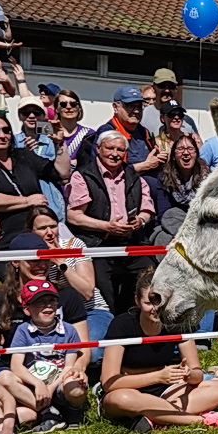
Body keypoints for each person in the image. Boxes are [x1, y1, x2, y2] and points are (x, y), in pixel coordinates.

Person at [98, 272, 218, 432]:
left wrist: (188, 375)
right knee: (120, 399)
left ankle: (154, 417)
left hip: (168, 390)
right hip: (130, 391)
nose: (156, 309)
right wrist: (158, 376)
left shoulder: (176, 323)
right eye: (149, 302)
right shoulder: (122, 324)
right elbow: (109, 382)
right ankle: (199, 421)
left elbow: (197, 373)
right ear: (137, 301)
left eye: (161, 302)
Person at [66, 131, 157, 311]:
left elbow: (147, 209)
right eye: (110, 148)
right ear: (99, 149)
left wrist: (140, 221)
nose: (115, 154)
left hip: (131, 241)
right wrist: (106, 226)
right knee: (102, 283)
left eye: (120, 150)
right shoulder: (83, 175)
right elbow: (74, 215)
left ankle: (133, 314)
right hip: (98, 242)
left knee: (150, 271)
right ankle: (109, 319)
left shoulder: (134, 176)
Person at [0, 100, 70, 240]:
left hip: (37, 234)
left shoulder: (23, 155)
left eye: (6, 130)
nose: (2, 136)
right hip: (1, 236)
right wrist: (28, 201)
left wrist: (59, 144)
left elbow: (62, 173)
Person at [6, 279, 90, 431]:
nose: (48, 305)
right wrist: (38, 384)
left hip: (59, 383)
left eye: (52, 300)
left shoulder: (69, 330)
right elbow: (16, 366)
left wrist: (50, 387)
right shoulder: (23, 330)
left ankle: (73, 413)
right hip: (33, 386)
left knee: (76, 384)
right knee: (4, 377)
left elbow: (69, 365)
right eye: (40, 302)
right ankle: (49, 412)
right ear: (27, 309)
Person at [92, 86, 163, 175]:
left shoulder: (143, 131)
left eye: (139, 107)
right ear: (115, 107)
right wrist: (144, 166)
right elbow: (103, 170)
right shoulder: (108, 133)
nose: (136, 111)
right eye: (130, 106)